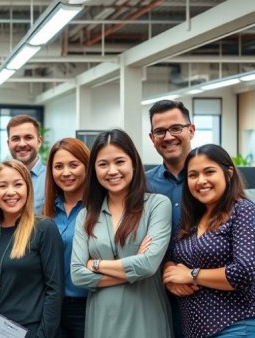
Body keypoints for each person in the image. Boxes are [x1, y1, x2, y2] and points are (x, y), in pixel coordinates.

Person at [71, 129, 173, 338]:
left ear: (133, 163)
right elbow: (77, 276)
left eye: (119, 161)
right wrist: (137, 268)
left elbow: (148, 265)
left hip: (146, 314)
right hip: (102, 317)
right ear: (94, 170)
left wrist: (96, 265)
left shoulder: (157, 205)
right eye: (103, 164)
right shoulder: (86, 216)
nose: (112, 170)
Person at [163, 144, 255, 338]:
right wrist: (170, 276)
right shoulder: (191, 220)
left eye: (209, 172)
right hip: (195, 331)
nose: (201, 181)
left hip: (235, 327)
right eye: (193, 175)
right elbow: (171, 256)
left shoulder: (243, 210)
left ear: (228, 173)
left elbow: (244, 271)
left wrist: (191, 275)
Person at [0, 160, 64, 338]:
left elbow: (55, 290)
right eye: (2, 186)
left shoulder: (44, 228)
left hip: (30, 331)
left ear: (28, 189)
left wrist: (43, 335)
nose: (11, 192)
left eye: (18, 184)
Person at [145, 99, 195, 338]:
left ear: (191, 130)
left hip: (209, 291)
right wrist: (167, 268)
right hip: (157, 293)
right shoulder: (142, 185)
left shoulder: (211, 179)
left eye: (176, 128)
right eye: (160, 131)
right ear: (151, 137)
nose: (168, 137)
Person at [43, 138, 90, 338]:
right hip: (50, 306)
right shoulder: (46, 213)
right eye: (58, 166)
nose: (66, 173)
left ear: (87, 167)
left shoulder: (98, 210)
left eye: (74, 165)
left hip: (88, 306)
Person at [6, 114, 45, 213]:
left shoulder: (52, 178)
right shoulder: (1, 179)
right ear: (8, 144)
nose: (22, 144)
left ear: (39, 141)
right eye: (16, 139)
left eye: (28, 137)